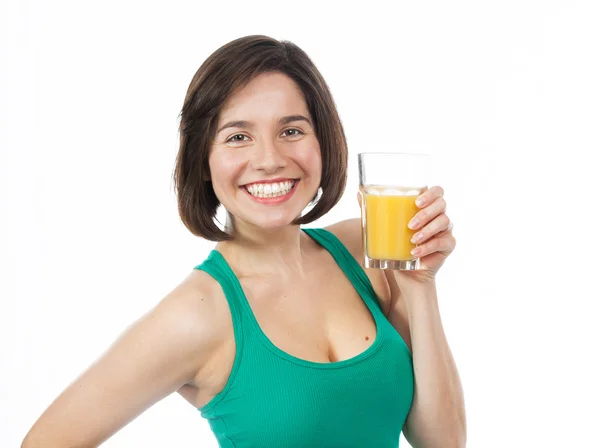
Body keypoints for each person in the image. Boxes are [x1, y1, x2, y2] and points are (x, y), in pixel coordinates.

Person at [21, 35, 466, 448]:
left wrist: (419, 285)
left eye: (292, 130)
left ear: (323, 142)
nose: (270, 160)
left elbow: (442, 442)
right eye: (238, 137)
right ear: (203, 160)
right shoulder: (196, 315)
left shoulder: (363, 249)